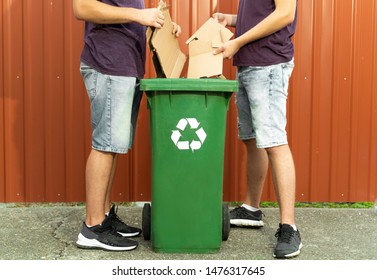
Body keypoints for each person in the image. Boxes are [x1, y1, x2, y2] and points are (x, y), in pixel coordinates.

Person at [72, 0, 181, 251]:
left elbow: (126, 20)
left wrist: (160, 26)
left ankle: (103, 216)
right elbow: (82, 8)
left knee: (113, 145)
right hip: (108, 62)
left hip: (125, 65)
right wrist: (139, 15)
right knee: (105, 145)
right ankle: (92, 227)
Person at [213, 0, 302, 258]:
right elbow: (261, 13)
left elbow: (285, 14)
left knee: (274, 142)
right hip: (249, 64)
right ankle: (251, 208)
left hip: (268, 65)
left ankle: (289, 227)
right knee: (252, 140)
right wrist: (231, 20)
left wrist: (238, 41)